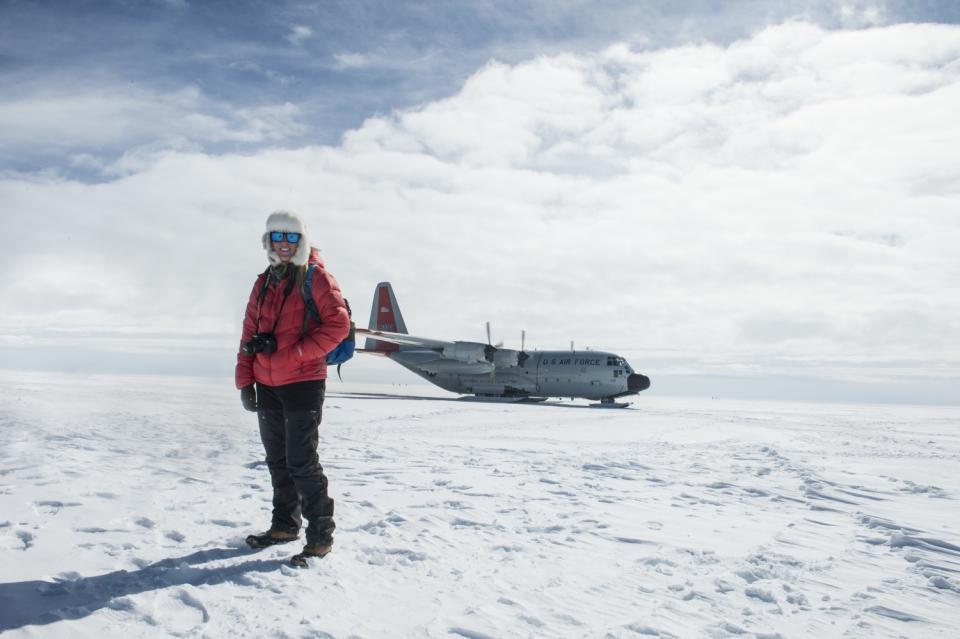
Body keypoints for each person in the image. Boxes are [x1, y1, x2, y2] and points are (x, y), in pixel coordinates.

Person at [236, 210, 350, 566]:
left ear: (300, 241)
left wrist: (297, 353)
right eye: (277, 237)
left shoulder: (315, 276)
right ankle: (285, 526)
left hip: (303, 383)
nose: (284, 244)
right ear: (268, 242)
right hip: (267, 384)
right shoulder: (264, 281)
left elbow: (338, 325)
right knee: (278, 461)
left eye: (291, 237)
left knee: (302, 463)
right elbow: (247, 333)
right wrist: (245, 380)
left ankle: (320, 538)